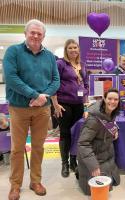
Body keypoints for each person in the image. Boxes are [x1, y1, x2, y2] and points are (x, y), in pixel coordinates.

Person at [3, 19, 60, 200]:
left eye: (39, 33)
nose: (36, 36)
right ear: (25, 33)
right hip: (19, 109)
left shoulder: (50, 56)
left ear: (43, 36)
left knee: (38, 147)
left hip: (42, 110)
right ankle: (15, 185)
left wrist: (42, 97)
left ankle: (35, 181)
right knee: (17, 149)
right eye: (32, 32)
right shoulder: (14, 52)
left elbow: (55, 81)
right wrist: (35, 95)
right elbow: (11, 78)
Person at [51, 39, 89, 178]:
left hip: (79, 104)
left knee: (77, 133)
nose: (73, 50)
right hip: (63, 104)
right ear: (66, 50)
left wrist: (85, 103)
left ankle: (73, 161)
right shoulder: (60, 64)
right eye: (70, 48)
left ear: (79, 49)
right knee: (65, 134)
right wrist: (55, 104)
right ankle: (64, 164)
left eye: (75, 47)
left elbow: (85, 84)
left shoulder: (82, 65)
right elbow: (53, 82)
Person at [77, 88, 121, 195]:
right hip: (95, 157)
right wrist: (93, 165)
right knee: (97, 189)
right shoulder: (93, 119)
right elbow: (83, 143)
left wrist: (115, 130)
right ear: (104, 99)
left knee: (114, 181)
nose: (113, 102)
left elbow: (110, 124)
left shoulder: (110, 112)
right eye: (110, 99)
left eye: (116, 99)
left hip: (105, 154)